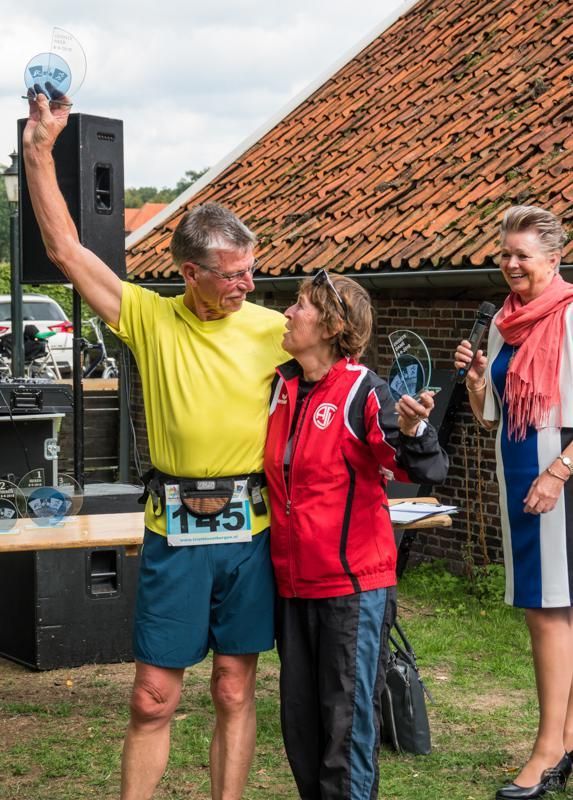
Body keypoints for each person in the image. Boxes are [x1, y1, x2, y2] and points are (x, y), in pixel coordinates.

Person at [22, 92, 287, 800]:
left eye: (249, 270)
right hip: (173, 527)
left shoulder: (274, 327)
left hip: (251, 529)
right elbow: (64, 248)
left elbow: (346, 366)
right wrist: (39, 150)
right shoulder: (147, 316)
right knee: (151, 698)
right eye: (231, 274)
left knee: (234, 689)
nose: (246, 284)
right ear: (188, 273)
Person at [263, 269, 449, 799]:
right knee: (302, 727)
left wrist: (414, 430)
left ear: (332, 324)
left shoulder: (365, 390)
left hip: (352, 589)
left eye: (300, 305)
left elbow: (423, 468)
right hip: (294, 587)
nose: (289, 313)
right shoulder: (282, 387)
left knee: (345, 727)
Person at [454, 206, 573, 800]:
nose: (510, 263)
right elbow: (491, 418)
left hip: (559, 482)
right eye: (504, 252)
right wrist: (478, 384)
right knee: (551, 609)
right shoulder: (504, 322)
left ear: (554, 258)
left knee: (550, 611)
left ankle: (548, 750)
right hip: (522, 478)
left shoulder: (570, 316)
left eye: (523, 253)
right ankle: (570, 739)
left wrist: (557, 472)